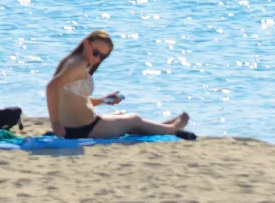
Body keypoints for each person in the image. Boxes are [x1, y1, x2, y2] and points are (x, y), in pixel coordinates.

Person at [45, 31, 194, 140]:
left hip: (80, 127)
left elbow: (75, 101)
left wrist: (104, 100)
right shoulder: (78, 65)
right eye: (95, 52)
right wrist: (55, 123)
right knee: (134, 119)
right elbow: (51, 88)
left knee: (121, 116)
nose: (97, 59)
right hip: (84, 129)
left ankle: (161, 127)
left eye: (102, 56)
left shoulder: (72, 61)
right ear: (86, 43)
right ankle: (173, 130)